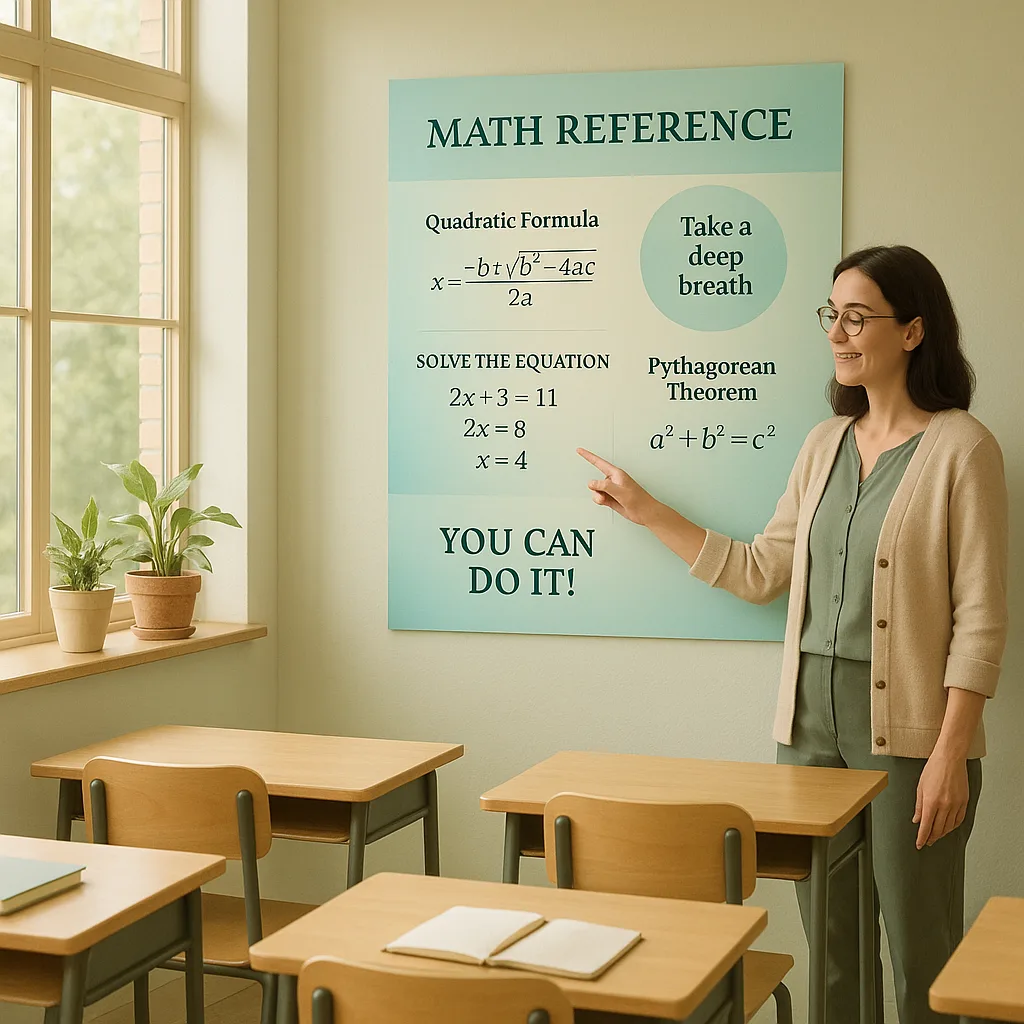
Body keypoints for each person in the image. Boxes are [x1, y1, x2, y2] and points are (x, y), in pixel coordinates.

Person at [579, 245, 1008, 1024]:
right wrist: (647, 511)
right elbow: (760, 571)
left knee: (922, 949)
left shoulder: (963, 448)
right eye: (831, 315)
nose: (838, 333)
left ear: (912, 331)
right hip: (809, 728)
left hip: (912, 734)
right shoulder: (822, 445)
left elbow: (980, 618)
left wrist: (950, 753)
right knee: (833, 944)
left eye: (857, 316)